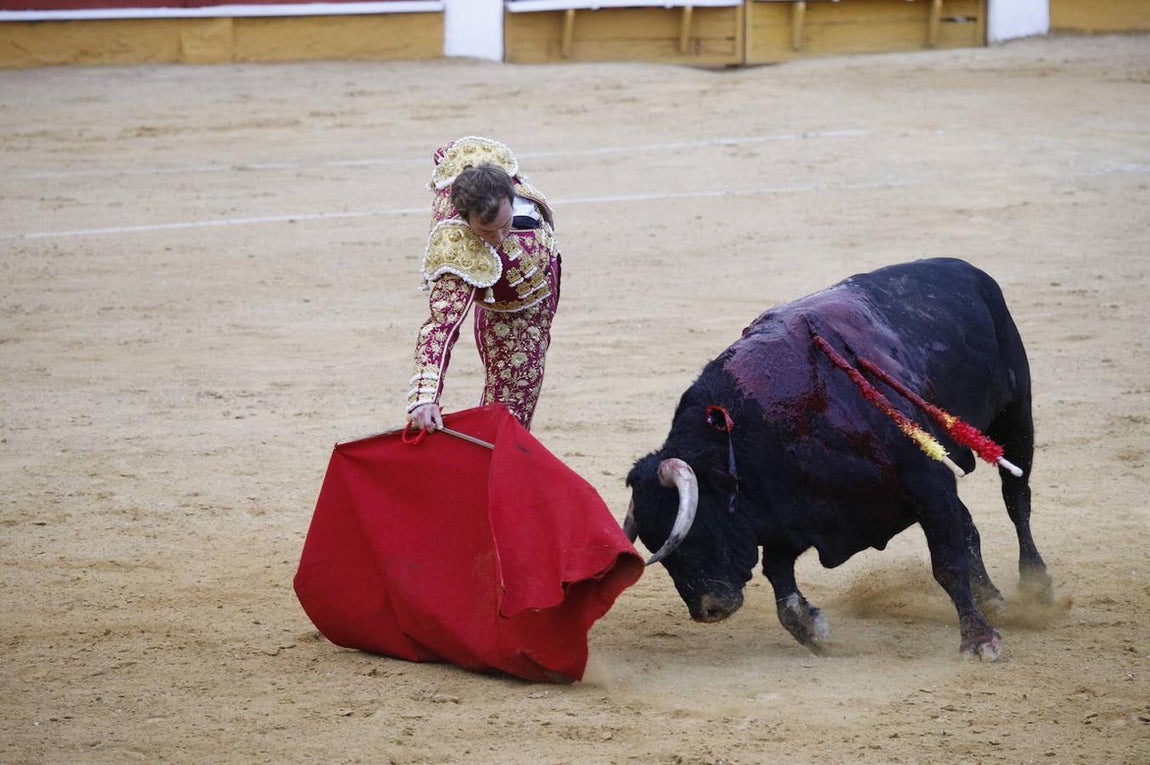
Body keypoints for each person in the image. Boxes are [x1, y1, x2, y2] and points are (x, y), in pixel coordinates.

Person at [405, 136, 562, 433]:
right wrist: (424, 398)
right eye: (487, 231)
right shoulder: (459, 251)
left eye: (506, 224)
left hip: (539, 290)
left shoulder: (486, 167)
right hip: (513, 319)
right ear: (467, 220)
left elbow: (446, 152)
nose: (500, 237)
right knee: (508, 417)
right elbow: (440, 327)